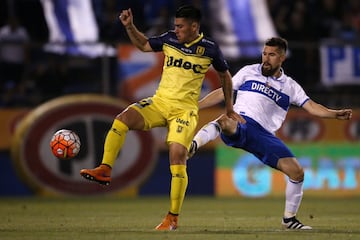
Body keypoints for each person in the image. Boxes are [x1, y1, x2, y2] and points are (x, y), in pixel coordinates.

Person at [80, 5, 242, 230]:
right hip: (159, 102)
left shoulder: (210, 49)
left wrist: (230, 107)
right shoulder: (169, 39)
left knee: (177, 155)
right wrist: (130, 27)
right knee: (123, 119)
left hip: (184, 111)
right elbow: (144, 45)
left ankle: (172, 218)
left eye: (180, 26)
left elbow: (225, 77)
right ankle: (105, 169)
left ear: (194, 26)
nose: (176, 30)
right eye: (175, 25)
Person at [188, 37, 353, 230]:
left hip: (264, 135)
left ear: (282, 58)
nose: (266, 59)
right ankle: (192, 146)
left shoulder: (290, 86)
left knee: (297, 172)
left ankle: (289, 220)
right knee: (225, 120)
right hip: (241, 121)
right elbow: (222, 92)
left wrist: (334, 114)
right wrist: (196, 105)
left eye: (272, 55)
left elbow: (312, 107)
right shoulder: (249, 71)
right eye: (264, 54)